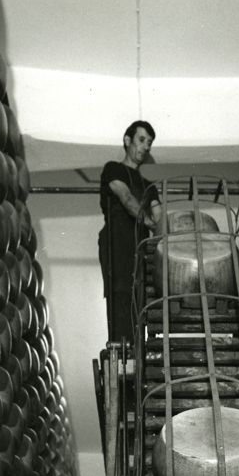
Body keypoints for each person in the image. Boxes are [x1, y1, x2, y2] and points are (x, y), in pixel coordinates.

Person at [98, 119, 163, 343]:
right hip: (117, 246)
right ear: (127, 141)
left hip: (139, 249)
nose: (146, 146)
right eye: (142, 140)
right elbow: (126, 198)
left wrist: (162, 228)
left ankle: (137, 357)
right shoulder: (112, 169)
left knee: (140, 300)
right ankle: (121, 358)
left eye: (150, 143)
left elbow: (159, 217)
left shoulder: (149, 186)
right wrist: (151, 223)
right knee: (119, 299)